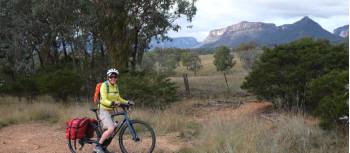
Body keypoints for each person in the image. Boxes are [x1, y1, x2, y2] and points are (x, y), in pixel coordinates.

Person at [94, 68, 134, 153]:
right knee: (111, 128)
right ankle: (98, 147)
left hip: (111, 111)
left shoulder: (115, 86)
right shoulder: (104, 86)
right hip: (103, 110)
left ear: (117, 78)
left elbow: (118, 98)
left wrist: (127, 102)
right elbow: (103, 100)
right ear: (108, 77)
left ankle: (104, 147)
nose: (113, 78)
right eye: (111, 76)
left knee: (113, 128)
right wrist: (112, 103)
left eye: (115, 77)